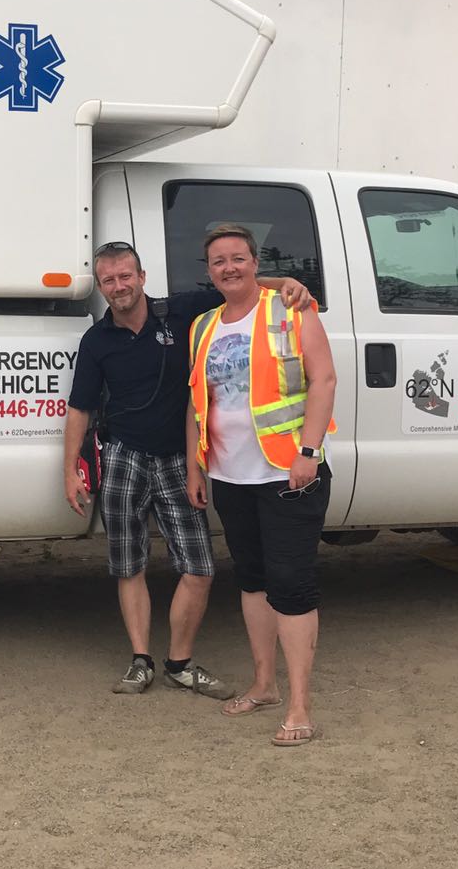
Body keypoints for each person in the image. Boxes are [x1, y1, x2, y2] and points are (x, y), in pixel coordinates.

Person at [64, 242, 312, 699]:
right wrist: (70, 471)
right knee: (128, 565)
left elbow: (238, 288)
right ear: (100, 288)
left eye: (125, 276)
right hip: (122, 456)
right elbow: (79, 409)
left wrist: (286, 284)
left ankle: (179, 662)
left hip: (181, 458)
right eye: (109, 281)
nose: (119, 287)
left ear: (142, 275)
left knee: (199, 567)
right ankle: (141, 660)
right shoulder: (95, 341)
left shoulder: (181, 313)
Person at [185, 224, 337, 747]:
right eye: (218, 261)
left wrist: (309, 452)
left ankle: (299, 706)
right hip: (230, 476)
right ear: (208, 272)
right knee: (252, 582)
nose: (229, 268)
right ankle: (264, 685)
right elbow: (197, 401)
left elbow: (324, 379)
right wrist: (195, 466)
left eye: (238, 258)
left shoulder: (291, 308)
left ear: (256, 261)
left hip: (287, 473)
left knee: (291, 587)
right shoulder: (203, 325)